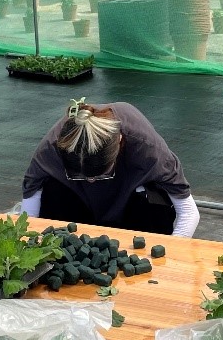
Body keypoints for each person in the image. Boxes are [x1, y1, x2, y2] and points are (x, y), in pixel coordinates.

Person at [21, 98, 199, 236]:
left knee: (154, 202)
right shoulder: (51, 148)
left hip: (130, 206)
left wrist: (168, 253)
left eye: (100, 176)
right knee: (52, 189)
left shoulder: (147, 148)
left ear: (120, 142)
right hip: (79, 206)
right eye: (82, 177)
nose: (91, 181)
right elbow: (29, 209)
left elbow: (188, 212)